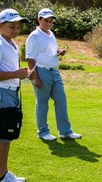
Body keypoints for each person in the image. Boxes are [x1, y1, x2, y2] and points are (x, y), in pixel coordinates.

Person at [0, 8, 31, 182]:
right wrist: (15, 73)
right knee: (0, 137)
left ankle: (4, 173)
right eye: (12, 26)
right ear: (0, 25)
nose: (16, 30)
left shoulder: (11, 43)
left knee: (7, 135)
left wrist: (22, 75)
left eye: (18, 26)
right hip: (0, 93)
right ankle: (0, 178)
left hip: (10, 92)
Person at [25, 8, 81, 141]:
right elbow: (30, 58)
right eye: (46, 21)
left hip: (54, 71)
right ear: (39, 20)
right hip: (41, 71)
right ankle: (43, 132)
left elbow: (49, 51)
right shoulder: (34, 36)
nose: (49, 23)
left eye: (51, 21)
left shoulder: (50, 34)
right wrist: (36, 77)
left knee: (61, 100)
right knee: (42, 102)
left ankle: (65, 131)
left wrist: (59, 51)